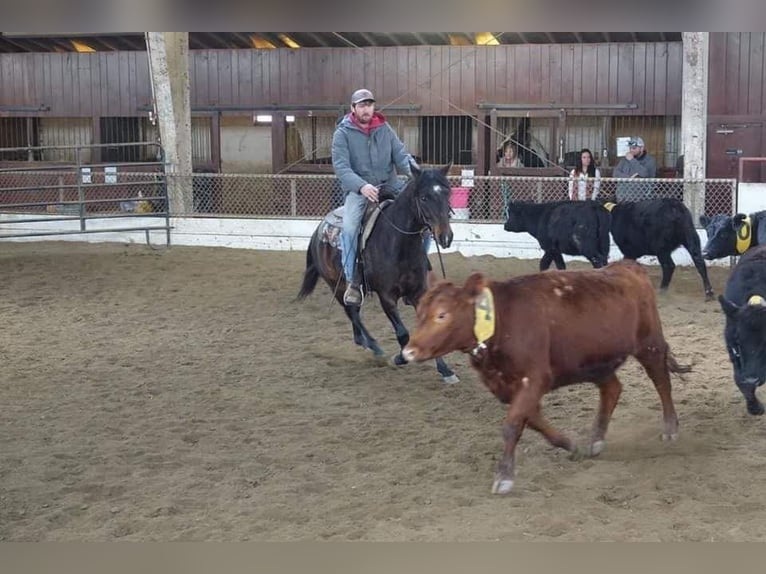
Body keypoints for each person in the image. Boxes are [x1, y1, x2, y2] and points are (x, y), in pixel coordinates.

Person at [331, 88, 417, 306]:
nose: (366, 108)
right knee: (350, 229)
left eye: (369, 104)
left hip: (391, 185)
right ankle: (353, 282)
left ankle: (416, 270)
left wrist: (419, 174)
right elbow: (341, 167)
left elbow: (401, 155)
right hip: (360, 190)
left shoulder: (384, 129)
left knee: (421, 219)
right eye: (361, 105)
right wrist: (361, 187)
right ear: (353, 108)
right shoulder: (342, 133)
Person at [613, 136, 657, 202]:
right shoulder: (625, 159)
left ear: (641, 148)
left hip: (642, 199)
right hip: (622, 198)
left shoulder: (650, 160)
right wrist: (629, 178)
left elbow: (645, 173)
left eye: (634, 148)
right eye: (630, 148)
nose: (631, 150)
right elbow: (615, 173)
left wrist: (632, 160)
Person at [497, 141, 523, 219]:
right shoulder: (501, 162)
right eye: (506, 151)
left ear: (514, 152)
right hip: (503, 184)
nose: (508, 153)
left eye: (510, 151)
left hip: (516, 186)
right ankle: (505, 212)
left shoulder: (518, 162)